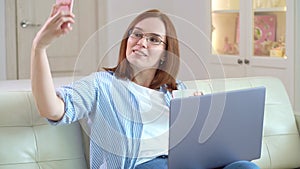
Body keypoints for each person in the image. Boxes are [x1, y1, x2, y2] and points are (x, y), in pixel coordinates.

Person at [31, 2, 261, 169]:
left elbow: (197, 146)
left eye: (153, 39)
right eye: (136, 35)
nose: (141, 42)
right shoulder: (101, 85)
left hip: (188, 164)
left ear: (164, 54)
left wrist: (197, 117)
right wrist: (39, 47)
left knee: (245, 167)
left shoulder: (175, 91)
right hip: (143, 166)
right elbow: (51, 109)